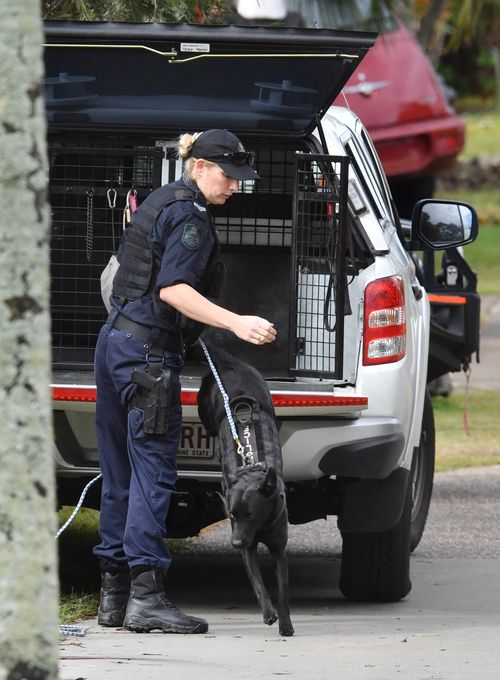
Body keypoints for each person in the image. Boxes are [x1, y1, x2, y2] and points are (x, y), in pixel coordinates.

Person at [93, 128, 276, 634]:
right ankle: (146, 598)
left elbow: (128, 279)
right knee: (153, 476)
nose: (235, 186)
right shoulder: (190, 218)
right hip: (148, 357)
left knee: (119, 474)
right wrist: (236, 322)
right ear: (198, 166)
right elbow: (173, 289)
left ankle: (113, 597)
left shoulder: (157, 199)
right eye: (228, 175)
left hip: (114, 344)